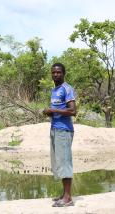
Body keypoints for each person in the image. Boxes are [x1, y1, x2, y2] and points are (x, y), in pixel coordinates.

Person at [43, 62, 77, 207]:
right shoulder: (54, 90)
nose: (55, 75)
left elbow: (73, 111)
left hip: (64, 130)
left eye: (58, 72)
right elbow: (57, 109)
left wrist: (53, 111)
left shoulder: (67, 89)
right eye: (53, 72)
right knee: (58, 163)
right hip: (55, 129)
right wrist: (49, 112)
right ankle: (64, 194)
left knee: (65, 163)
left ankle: (68, 198)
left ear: (63, 73)